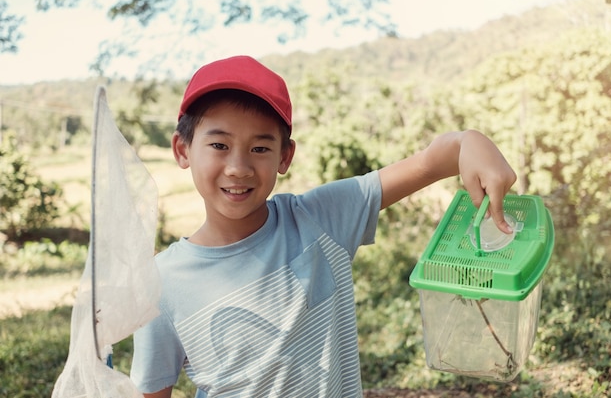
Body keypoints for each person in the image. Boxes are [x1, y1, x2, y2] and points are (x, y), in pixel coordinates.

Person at [130, 55, 517, 398]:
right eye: (219, 145)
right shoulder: (162, 282)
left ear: (285, 156)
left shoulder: (319, 219)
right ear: (183, 149)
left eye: (260, 148)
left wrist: (471, 141)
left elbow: (435, 161)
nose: (239, 167)